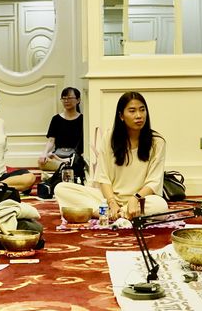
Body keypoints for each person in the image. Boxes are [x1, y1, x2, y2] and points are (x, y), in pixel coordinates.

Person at [55, 91, 168, 220]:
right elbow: (103, 177)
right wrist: (112, 202)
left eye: (142, 110)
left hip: (140, 199)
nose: (139, 116)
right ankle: (118, 213)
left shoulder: (157, 142)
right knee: (61, 188)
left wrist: (135, 198)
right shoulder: (109, 138)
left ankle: (110, 213)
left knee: (160, 206)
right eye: (132, 111)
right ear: (121, 116)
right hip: (109, 198)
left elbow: (154, 182)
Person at [40, 87, 86, 181]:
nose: (66, 101)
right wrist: (44, 153)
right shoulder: (56, 119)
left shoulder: (83, 119)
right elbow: (51, 140)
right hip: (58, 156)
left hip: (75, 156)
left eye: (69, 98)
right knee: (41, 162)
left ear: (78, 100)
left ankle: (64, 167)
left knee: (77, 163)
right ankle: (65, 165)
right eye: (64, 98)